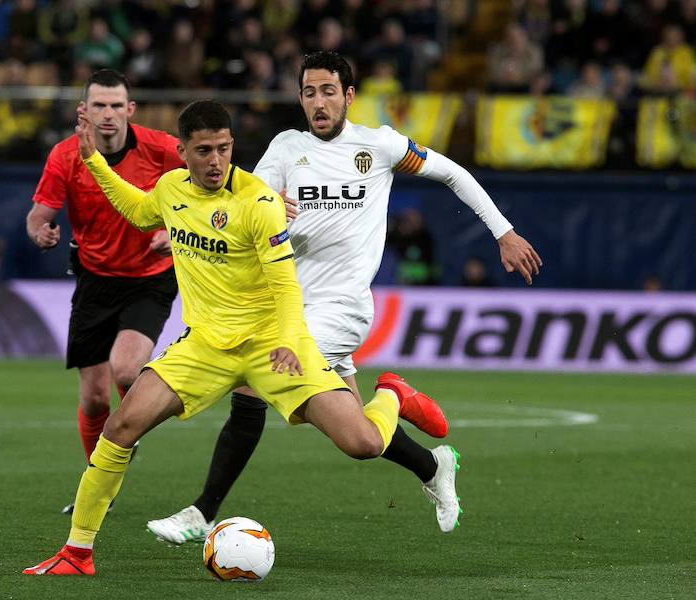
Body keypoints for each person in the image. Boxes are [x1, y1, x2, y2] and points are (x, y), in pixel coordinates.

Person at [22, 99, 447, 576]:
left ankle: (391, 394)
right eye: (204, 151)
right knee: (121, 426)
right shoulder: (170, 190)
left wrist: (288, 338)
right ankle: (77, 553)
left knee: (363, 444)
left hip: (273, 344)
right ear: (182, 151)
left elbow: (285, 283)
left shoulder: (259, 202)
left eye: (224, 149)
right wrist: (95, 163)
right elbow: (139, 211)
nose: (216, 161)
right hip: (204, 347)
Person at [147, 51, 542, 543]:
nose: (319, 102)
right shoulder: (287, 148)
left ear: (349, 96)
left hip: (341, 309)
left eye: (328, 91)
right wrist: (261, 211)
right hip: (287, 302)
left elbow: (453, 174)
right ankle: (429, 460)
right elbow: (246, 202)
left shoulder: (379, 146)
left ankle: (201, 513)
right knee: (358, 439)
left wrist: (502, 232)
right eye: (309, 93)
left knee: (251, 383)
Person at [26, 69, 181, 513]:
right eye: (100, 106)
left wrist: (175, 226)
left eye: (117, 105)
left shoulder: (163, 149)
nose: (109, 114)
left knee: (127, 370)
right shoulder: (64, 156)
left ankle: (124, 438)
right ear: (84, 111)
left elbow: (213, 184)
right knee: (94, 396)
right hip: (94, 279)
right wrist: (40, 232)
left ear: (130, 110)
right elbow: (39, 214)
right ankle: (101, 484)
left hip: (150, 276)